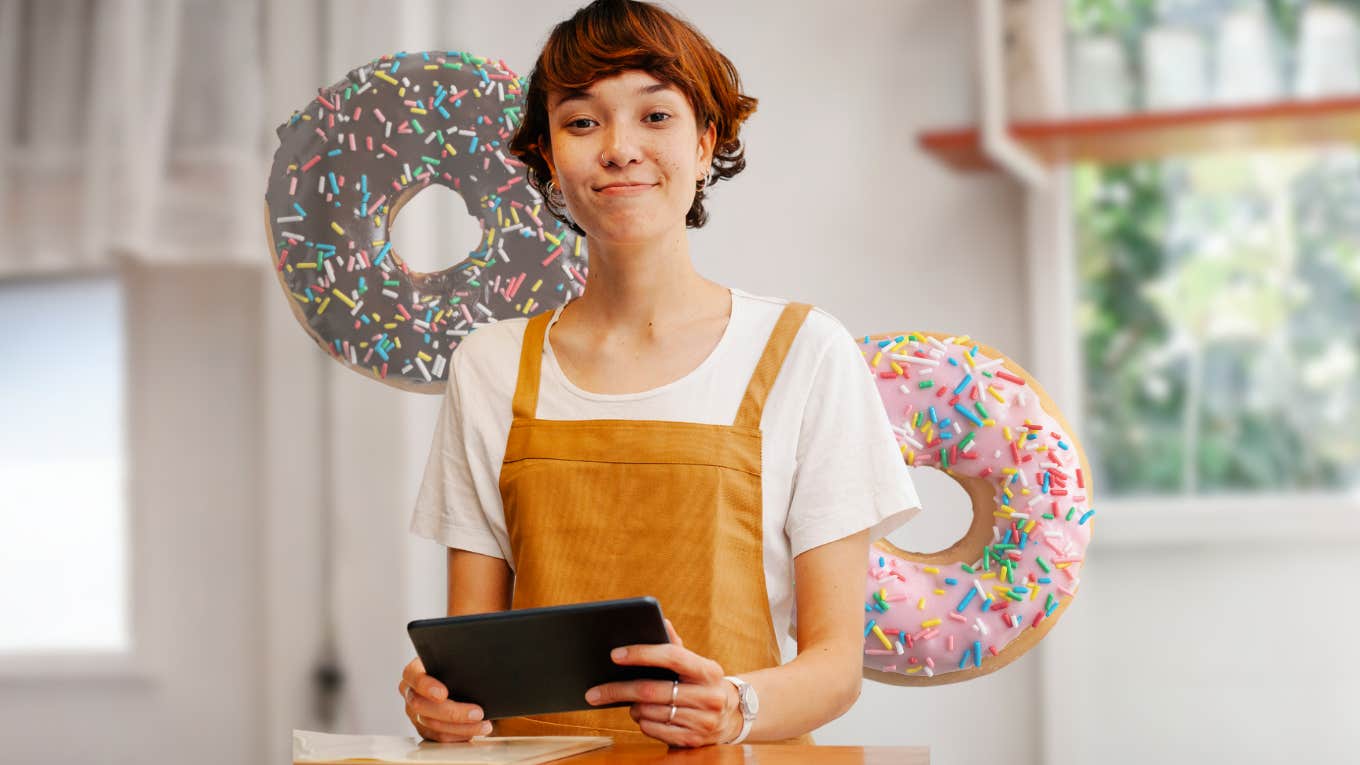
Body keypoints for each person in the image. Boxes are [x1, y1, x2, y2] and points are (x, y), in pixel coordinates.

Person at [399, 0, 919, 748]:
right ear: (548, 154)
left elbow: (837, 666)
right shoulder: (491, 367)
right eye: (581, 122)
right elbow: (475, 651)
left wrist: (737, 703)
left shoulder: (806, 352)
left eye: (655, 117)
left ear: (707, 142)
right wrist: (440, 699)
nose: (618, 148)